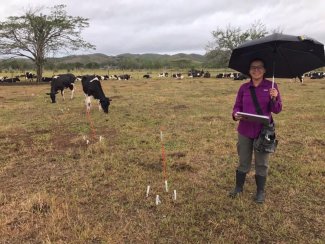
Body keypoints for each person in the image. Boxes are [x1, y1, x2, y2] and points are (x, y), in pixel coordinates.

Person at [229, 58, 282, 203]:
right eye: (253, 67)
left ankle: (260, 192)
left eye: (259, 67)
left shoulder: (272, 86)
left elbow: (277, 110)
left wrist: (275, 98)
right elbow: (237, 106)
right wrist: (235, 114)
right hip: (244, 130)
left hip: (263, 132)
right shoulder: (244, 88)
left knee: (262, 163)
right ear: (249, 70)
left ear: (265, 70)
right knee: (243, 160)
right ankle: (238, 188)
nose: (256, 69)